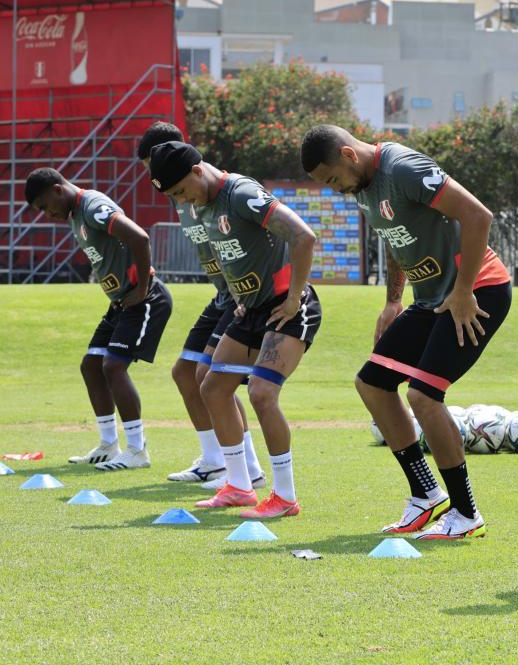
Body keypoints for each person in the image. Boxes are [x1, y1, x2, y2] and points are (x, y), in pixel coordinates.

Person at [301, 124, 512, 540]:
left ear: (348, 155)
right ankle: (426, 494)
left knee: (423, 395)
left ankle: (466, 513)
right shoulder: (364, 187)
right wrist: (392, 301)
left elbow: (478, 215)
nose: (335, 189)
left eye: (332, 179)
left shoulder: (402, 168)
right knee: (372, 384)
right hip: (432, 300)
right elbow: (395, 238)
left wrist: (464, 291)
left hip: (478, 292)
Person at [149, 142, 321, 519]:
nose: (183, 201)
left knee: (261, 393)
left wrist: (294, 298)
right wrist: (239, 295)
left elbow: (303, 237)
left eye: (181, 191)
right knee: (212, 386)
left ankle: (285, 497)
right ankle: (240, 486)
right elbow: (230, 253)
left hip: (287, 309)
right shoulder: (205, 205)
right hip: (251, 311)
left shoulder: (240, 193)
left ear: (197, 171)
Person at [135, 122, 266, 489]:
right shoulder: (179, 195)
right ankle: (214, 460)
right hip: (222, 295)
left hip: (241, 296)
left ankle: (248, 470)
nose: (154, 177)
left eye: (153, 166)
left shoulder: (214, 191)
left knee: (212, 378)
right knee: (184, 372)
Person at [24, 168, 173, 470]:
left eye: (45, 206)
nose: (47, 214)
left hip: (144, 298)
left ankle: (137, 450)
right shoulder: (74, 214)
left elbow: (139, 237)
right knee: (91, 365)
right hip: (120, 304)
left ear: (57, 190)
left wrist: (142, 288)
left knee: (114, 366)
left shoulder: (92, 206)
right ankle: (108, 444)